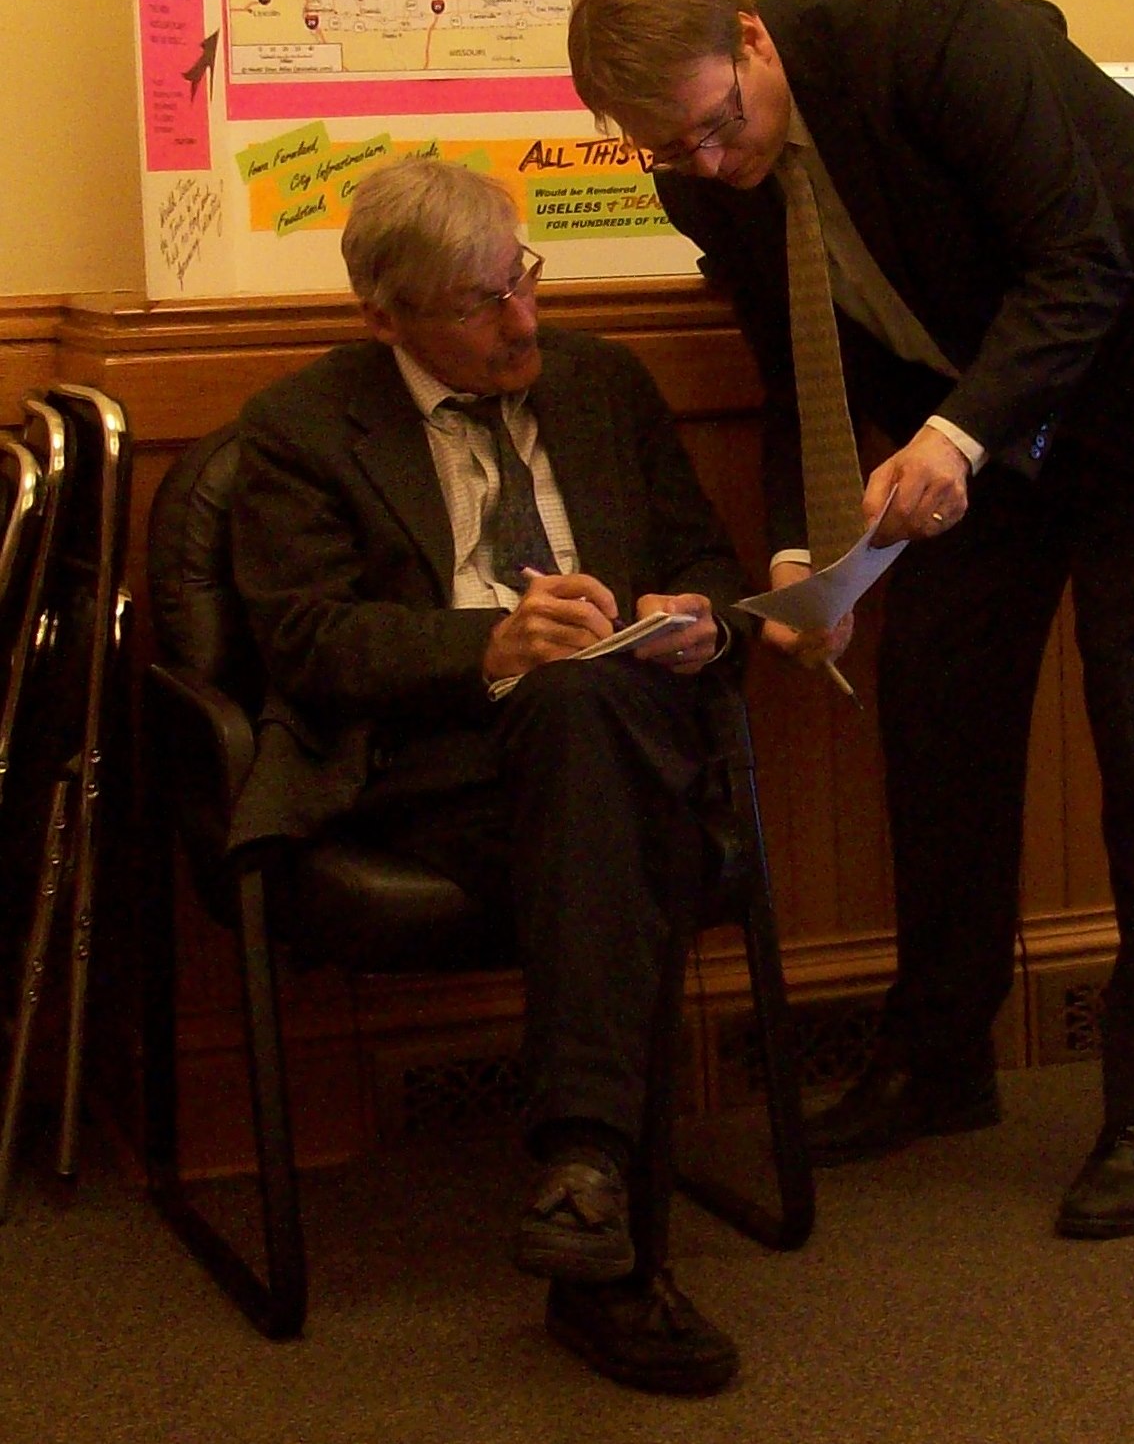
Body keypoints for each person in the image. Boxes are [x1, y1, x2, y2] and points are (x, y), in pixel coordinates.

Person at [567, 0, 1134, 1240]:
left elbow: (1080, 261)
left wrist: (954, 438)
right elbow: (792, 358)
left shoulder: (925, 31)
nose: (706, 161)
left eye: (716, 124)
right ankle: (938, 1059)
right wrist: (799, 558)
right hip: (984, 411)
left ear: (751, 37)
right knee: (935, 709)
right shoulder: (698, 168)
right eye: (670, 148)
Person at [229, 155, 746, 1393]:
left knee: (591, 728)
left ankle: (585, 1173)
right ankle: (606, 1236)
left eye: (521, 277)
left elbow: (704, 561)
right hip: (435, 766)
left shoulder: (602, 382)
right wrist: (489, 645)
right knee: (619, 822)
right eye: (478, 302)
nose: (521, 320)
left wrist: (696, 619)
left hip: (615, 731)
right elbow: (305, 638)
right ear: (385, 317)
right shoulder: (301, 427)